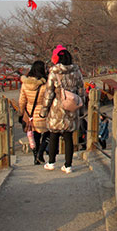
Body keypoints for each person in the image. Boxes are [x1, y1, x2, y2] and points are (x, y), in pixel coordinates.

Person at [39, 45, 84, 173]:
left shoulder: (54, 72)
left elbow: (49, 92)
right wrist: (81, 109)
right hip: (71, 106)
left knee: (54, 135)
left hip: (57, 107)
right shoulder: (76, 71)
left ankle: (51, 162)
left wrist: (44, 110)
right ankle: (68, 165)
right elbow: (81, 90)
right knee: (68, 136)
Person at [18, 60, 48, 165]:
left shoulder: (25, 84)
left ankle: (35, 157)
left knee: (34, 136)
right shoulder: (45, 84)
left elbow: (22, 101)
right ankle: (40, 153)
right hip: (42, 113)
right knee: (47, 133)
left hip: (30, 114)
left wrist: (21, 113)